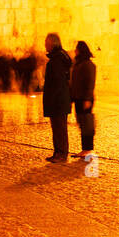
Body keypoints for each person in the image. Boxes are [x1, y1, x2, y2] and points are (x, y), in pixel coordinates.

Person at [41, 33, 72, 162]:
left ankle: (62, 154)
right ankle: (58, 152)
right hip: (58, 100)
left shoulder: (57, 60)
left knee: (60, 128)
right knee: (57, 128)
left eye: (46, 42)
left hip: (58, 100)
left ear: (52, 44)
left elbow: (57, 82)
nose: (45, 45)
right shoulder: (57, 58)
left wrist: (53, 99)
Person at [70, 41, 96, 161]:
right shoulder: (78, 63)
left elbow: (90, 83)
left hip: (85, 98)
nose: (74, 50)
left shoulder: (88, 64)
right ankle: (84, 149)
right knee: (82, 123)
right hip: (78, 98)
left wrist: (87, 99)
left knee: (87, 124)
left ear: (81, 50)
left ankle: (88, 149)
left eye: (76, 48)